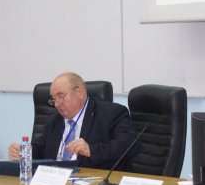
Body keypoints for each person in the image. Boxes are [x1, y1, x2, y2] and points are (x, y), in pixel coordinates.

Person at [8, 72, 139, 170]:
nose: (57, 104)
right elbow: (41, 149)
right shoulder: (54, 120)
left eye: (61, 97)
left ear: (80, 92)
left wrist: (91, 150)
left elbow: (131, 146)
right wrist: (25, 152)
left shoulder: (111, 113)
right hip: (55, 183)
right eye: (53, 99)